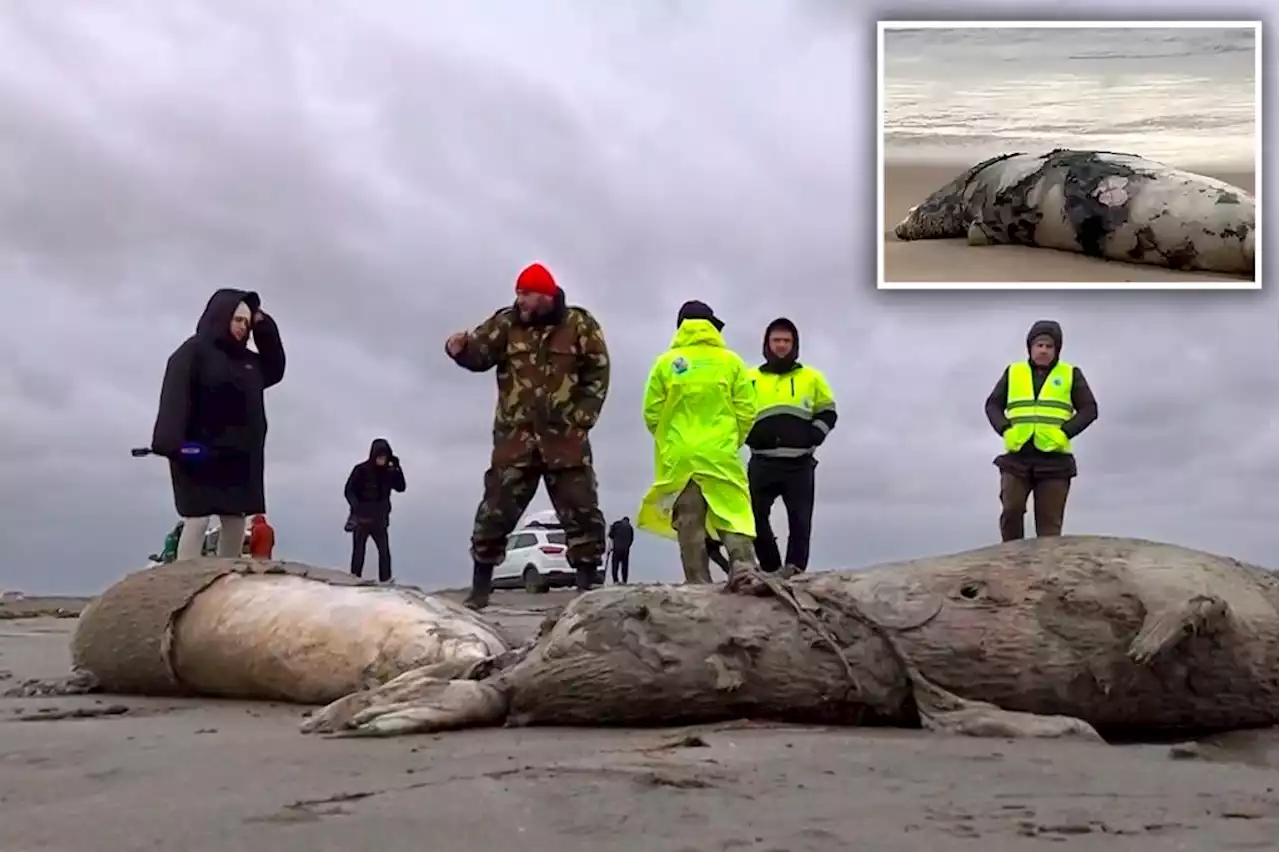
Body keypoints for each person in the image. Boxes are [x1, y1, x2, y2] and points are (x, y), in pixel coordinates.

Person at [445, 262, 610, 610]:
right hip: (515, 438)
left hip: (565, 439)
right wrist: (458, 349)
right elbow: (479, 354)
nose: (520, 300)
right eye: (518, 293)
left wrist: (582, 419)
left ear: (546, 295)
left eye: (527, 294)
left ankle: (585, 589)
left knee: (581, 511)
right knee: (495, 511)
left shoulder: (579, 325)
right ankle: (480, 589)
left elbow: (598, 370)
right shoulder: (505, 324)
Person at [151, 289, 286, 560]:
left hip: (238, 456)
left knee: (235, 520)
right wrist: (171, 444)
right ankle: (185, 579)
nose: (242, 327)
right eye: (238, 319)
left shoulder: (249, 362)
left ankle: (228, 577)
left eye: (247, 323)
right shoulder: (192, 352)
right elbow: (174, 398)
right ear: (221, 315)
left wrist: (264, 324)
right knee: (197, 518)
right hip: (198, 452)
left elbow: (275, 368)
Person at [637, 300, 759, 584]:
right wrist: (731, 439)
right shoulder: (731, 362)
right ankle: (744, 568)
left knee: (689, 520)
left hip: (681, 455)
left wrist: (671, 441)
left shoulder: (666, 363)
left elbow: (651, 413)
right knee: (733, 511)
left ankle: (697, 582)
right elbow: (747, 410)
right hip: (720, 451)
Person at [984, 319, 1098, 542]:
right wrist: (1005, 429)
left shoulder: (1070, 373)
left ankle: (1047, 573)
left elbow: (1090, 409)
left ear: (1056, 350)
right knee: (1011, 509)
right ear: (1030, 348)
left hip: (1054, 459)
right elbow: (992, 405)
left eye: (1049, 346)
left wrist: (1064, 433)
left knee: (1049, 528)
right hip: (1018, 456)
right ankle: (1011, 558)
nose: (1043, 350)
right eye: (1039, 345)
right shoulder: (1014, 372)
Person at [744, 317, 838, 579]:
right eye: (777, 340)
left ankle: (795, 571)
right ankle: (771, 568)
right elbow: (734, 412)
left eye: (787, 340)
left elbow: (829, 412)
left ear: (795, 344)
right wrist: (748, 436)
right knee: (753, 518)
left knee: (800, 523)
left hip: (799, 464)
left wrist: (813, 435)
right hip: (762, 462)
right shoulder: (748, 377)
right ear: (767, 343)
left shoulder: (811, 377)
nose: (782, 345)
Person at [343, 438, 406, 582]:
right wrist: (356, 507)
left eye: (384, 457)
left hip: (380, 520)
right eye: (379, 456)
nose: (382, 459)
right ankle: (354, 579)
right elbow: (348, 491)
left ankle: (386, 581)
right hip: (362, 519)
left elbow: (401, 487)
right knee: (358, 553)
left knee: (384, 553)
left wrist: (397, 468)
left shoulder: (389, 472)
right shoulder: (361, 470)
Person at [606, 516, 635, 584]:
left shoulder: (616, 524)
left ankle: (615, 580)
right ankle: (624, 580)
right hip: (625, 549)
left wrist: (611, 529)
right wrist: (627, 546)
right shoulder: (630, 528)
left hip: (616, 548)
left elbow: (610, 535)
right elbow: (631, 539)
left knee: (615, 565)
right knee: (625, 565)